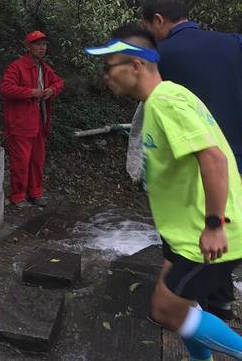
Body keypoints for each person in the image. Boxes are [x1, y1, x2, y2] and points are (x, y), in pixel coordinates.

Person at [86, 24, 242, 361]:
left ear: (136, 65)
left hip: (209, 232)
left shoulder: (165, 102)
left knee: (164, 309)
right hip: (184, 232)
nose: (105, 76)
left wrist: (214, 224)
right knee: (183, 307)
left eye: (109, 66)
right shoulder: (167, 96)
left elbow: (214, 159)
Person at [141, 0, 242, 175]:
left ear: (158, 20)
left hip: (199, 169)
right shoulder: (234, 43)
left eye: (146, 28)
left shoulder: (156, 57)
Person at [0, 30, 64, 208]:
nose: (42, 48)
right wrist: (30, 92)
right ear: (29, 47)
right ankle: (18, 196)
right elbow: (6, 88)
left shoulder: (44, 68)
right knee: (20, 162)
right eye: (38, 44)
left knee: (37, 161)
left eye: (44, 45)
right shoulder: (17, 67)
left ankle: (35, 193)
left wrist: (52, 90)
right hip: (21, 124)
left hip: (40, 124)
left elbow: (59, 82)